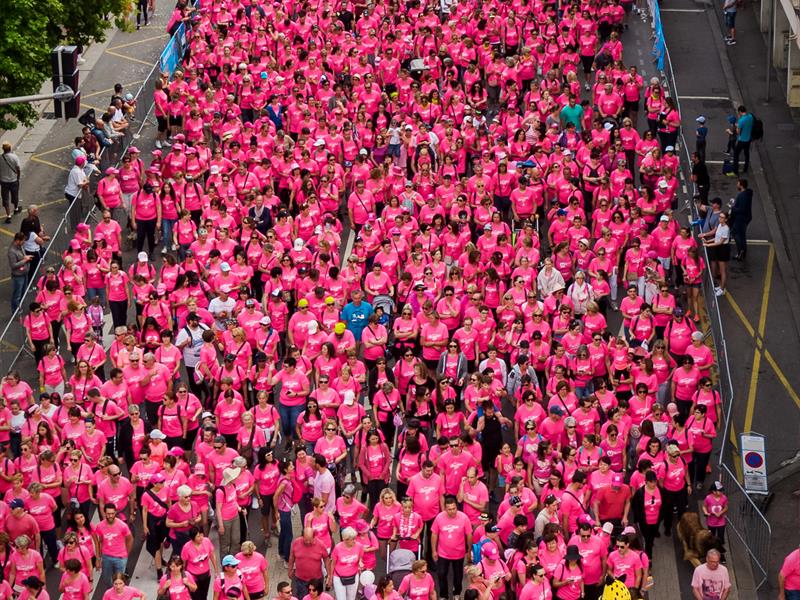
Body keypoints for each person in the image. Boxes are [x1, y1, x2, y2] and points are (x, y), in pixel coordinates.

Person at [289, 527, 331, 600]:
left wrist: (329, 575)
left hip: (316, 580)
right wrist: (290, 570)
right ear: (302, 536)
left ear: (314, 536)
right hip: (300, 579)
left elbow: (326, 559)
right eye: (306, 540)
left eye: (310, 540)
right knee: (302, 597)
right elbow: (292, 557)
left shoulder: (320, 544)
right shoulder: (296, 543)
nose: (308, 542)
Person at [8, 231, 31, 312]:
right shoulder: (11, 251)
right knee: (17, 294)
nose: (24, 242)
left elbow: (23, 256)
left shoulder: (20, 246)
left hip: (24, 273)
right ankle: (15, 310)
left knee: (23, 292)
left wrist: (26, 257)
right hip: (18, 276)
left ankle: (19, 307)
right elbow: (13, 265)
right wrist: (25, 260)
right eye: (22, 241)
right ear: (17, 240)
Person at [730, 179, 753, 261]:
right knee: (738, 233)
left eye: (738, 184)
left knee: (738, 235)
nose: (737, 185)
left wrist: (733, 208)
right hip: (744, 217)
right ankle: (741, 251)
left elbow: (742, 209)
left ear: (741, 185)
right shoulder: (747, 194)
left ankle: (741, 251)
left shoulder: (742, 196)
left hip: (741, 218)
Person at [0, 142, 21, 222]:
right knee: (15, 196)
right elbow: (18, 168)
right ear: (10, 148)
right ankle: (15, 208)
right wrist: (18, 177)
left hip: (4, 181)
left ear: (3, 149)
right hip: (13, 180)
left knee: (5, 198)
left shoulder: (0, 158)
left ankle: (8, 215)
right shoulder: (14, 157)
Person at [731, 105, 754, 174]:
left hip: (742, 140)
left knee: (736, 154)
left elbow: (738, 132)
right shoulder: (750, 116)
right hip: (748, 139)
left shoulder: (741, 120)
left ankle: (735, 170)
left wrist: (738, 124)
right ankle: (745, 168)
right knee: (746, 153)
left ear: (740, 112)